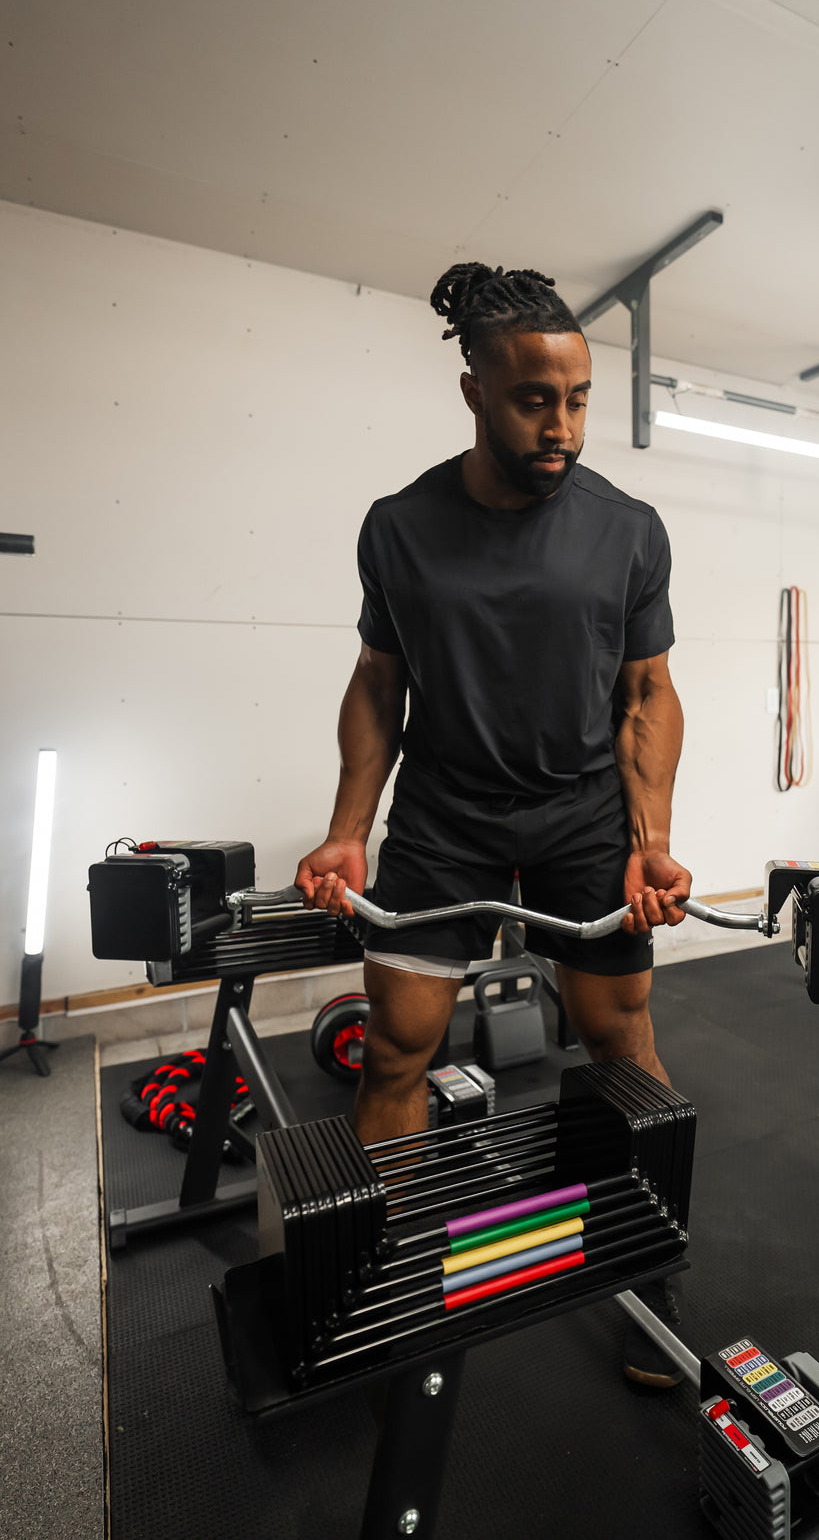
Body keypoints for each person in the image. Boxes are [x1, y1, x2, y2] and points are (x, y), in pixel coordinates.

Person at [296, 261, 691, 1386]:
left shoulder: (627, 530)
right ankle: (387, 1277)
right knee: (396, 1052)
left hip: (580, 822)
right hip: (443, 823)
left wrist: (648, 834)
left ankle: (648, 1279)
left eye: (575, 400)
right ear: (474, 391)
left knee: (621, 1042)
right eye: (533, 400)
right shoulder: (400, 528)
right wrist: (346, 829)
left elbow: (647, 694)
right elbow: (380, 681)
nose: (561, 424)